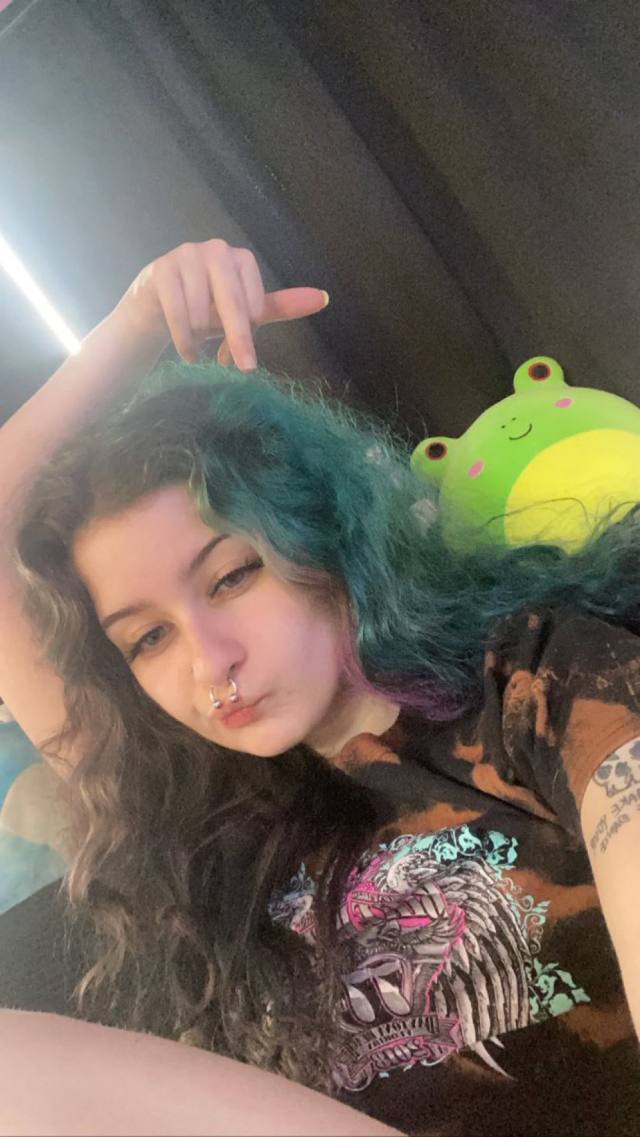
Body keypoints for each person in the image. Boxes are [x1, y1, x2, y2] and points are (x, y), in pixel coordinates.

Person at [0, 238, 639, 1137]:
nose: (208, 662)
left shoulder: (533, 682)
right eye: (148, 637)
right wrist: (135, 320)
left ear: (326, 534)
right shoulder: (192, 819)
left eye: (231, 577)